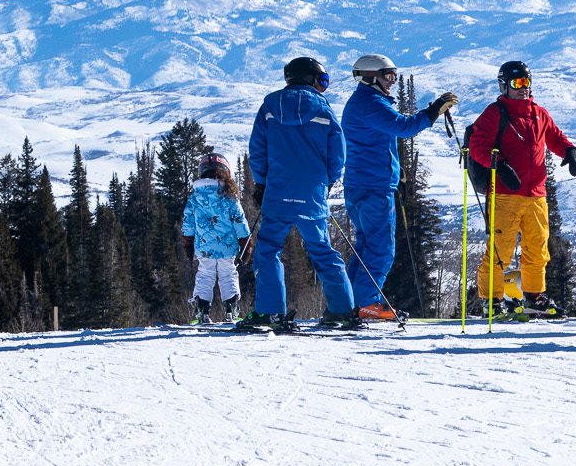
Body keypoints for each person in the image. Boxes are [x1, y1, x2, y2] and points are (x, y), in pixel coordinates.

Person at [236, 56, 357, 332]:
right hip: (311, 192)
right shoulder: (324, 109)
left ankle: (270, 312)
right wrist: (326, 183)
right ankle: (342, 310)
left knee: (267, 250)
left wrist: (262, 183)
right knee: (322, 250)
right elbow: (338, 153)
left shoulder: (270, 106)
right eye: (322, 81)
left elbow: (258, 149)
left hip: (278, 191)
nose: (322, 87)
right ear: (312, 79)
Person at [342, 54, 457, 321]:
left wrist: (395, 170)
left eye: (394, 76)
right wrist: (433, 111)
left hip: (362, 184)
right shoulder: (370, 103)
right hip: (373, 187)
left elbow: (377, 141)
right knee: (381, 249)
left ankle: (349, 302)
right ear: (370, 77)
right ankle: (366, 303)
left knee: (365, 246)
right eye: (388, 76)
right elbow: (404, 128)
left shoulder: (364, 102)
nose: (393, 81)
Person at [466, 60, 576, 316]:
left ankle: (534, 296)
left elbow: (555, 137)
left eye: (526, 83)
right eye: (517, 83)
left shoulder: (538, 113)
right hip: (505, 194)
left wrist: (570, 151)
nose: (523, 88)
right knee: (500, 249)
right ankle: (492, 300)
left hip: (536, 194)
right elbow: (478, 146)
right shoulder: (495, 113)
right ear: (504, 86)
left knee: (538, 248)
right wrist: (499, 165)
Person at [182, 152, 252, 324]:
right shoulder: (229, 196)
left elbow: (188, 223)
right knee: (228, 275)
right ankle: (232, 312)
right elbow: (240, 223)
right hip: (227, 247)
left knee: (205, 276)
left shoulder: (195, 197)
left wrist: (188, 244)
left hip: (204, 248)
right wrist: (246, 245)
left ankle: (202, 313)